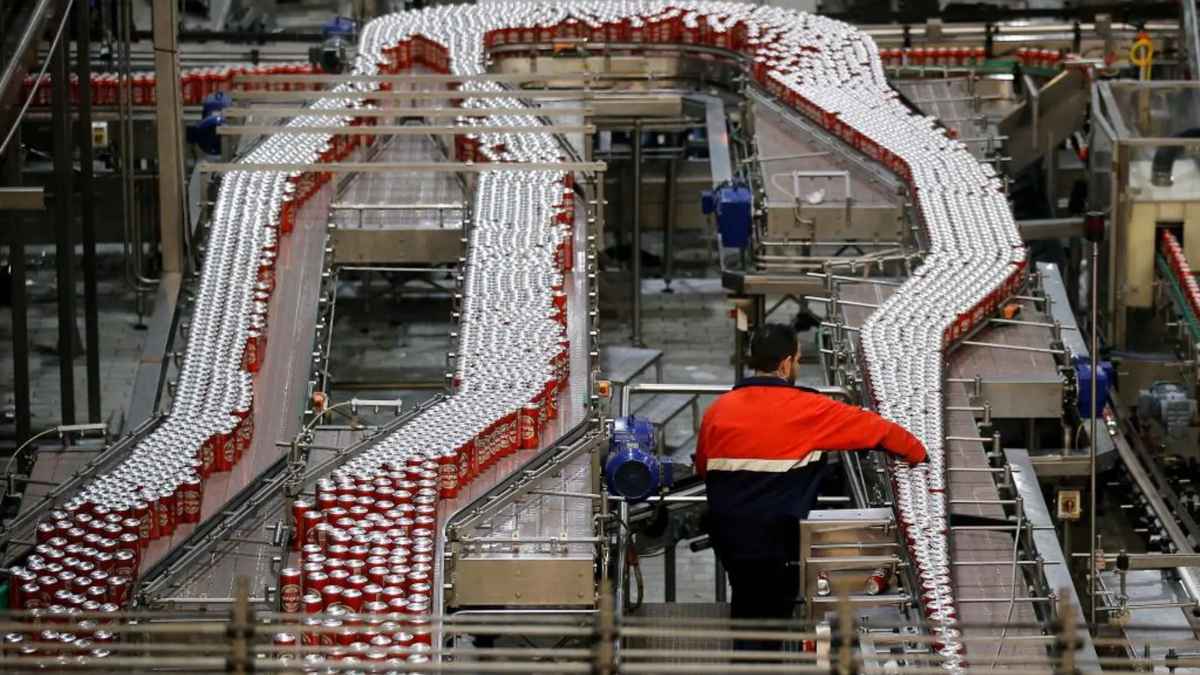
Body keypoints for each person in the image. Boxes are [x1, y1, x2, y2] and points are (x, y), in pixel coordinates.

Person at [695, 323, 927, 649]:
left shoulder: (718, 411)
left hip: (729, 536)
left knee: (747, 601)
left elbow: (703, 467)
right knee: (767, 623)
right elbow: (878, 431)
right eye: (799, 360)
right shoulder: (810, 409)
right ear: (786, 364)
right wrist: (920, 453)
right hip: (776, 543)